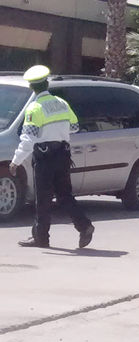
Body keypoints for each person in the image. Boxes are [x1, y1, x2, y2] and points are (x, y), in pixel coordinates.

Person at [10, 65, 93, 250]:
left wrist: (16, 161)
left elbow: (28, 138)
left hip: (45, 158)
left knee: (43, 198)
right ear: (47, 84)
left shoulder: (35, 108)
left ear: (32, 87)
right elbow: (75, 127)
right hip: (63, 155)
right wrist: (58, 130)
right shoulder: (62, 103)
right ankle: (84, 226)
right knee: (64, 196)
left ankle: (41, 238)